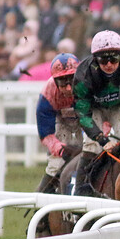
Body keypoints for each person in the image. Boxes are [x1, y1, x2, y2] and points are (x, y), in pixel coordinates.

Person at [73, 30, 120, 195]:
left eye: (114, 59)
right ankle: (79, 192)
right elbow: (83, 113)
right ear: (95, 59)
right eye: (103, 60)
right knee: (91, 145)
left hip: (118, 105)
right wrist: (101, 139)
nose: (109, 64)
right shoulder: (83, 75)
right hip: (94, 108)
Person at [35, 52, 82, 194]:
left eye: (71, 80)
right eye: (62, 82)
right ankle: (40, 207)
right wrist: (60, 148)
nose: (68, 88)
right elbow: (46, 134)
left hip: (87, 121)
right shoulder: (47, 95)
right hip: (61, 123)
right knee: (55, 164)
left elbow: (100, 118)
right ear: (54, 81)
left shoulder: (89, 86)